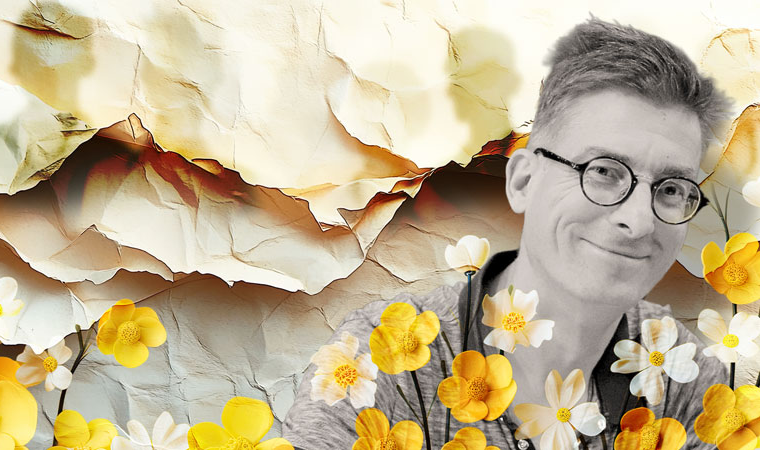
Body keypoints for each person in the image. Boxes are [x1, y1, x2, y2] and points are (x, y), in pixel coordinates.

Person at [282, 18, 730, 450]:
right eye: (604, 171)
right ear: (523, 182)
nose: (639, 221)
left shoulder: (686, 378)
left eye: (672, 189)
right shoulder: (380, 359)